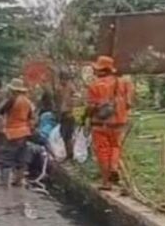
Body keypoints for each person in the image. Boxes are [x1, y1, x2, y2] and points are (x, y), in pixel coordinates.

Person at [86, 55, 134, 190]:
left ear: (101, 70)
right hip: (119, 123)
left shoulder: (94, 85)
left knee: (103, 151)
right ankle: (114, 168)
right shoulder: (125, 83)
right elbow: (129, 103)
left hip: (100, 124)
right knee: (115, 147)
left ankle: (106, 182)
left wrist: (86, 116)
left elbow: (91, 106)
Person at [0, 78, 35, 187]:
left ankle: (4, 182)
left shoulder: (12, 100)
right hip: (25, 132)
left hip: (12, 132)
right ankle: (18, 180)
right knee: (21, 157)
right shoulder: (28, 102)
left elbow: (1, 111)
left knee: (7, 156)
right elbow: (31, 117)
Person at [57, 71, 77, 160]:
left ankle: (70, 154)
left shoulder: (71, 88)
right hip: (64, 114)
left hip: (69, 114)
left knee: (67, 135)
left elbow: (75, 99)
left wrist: (71, 108)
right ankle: (69, 153)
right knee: (64, 135)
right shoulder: (60, 88)